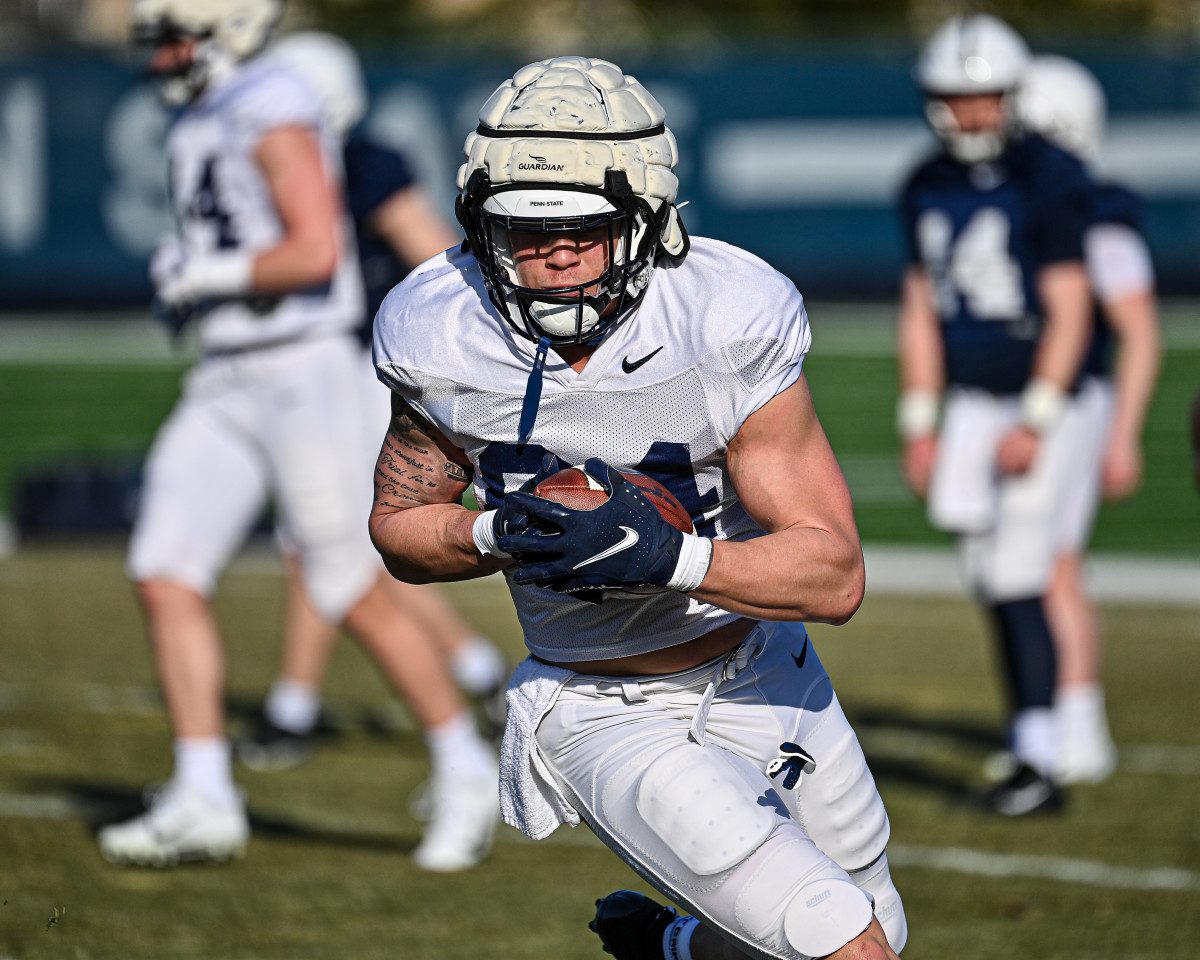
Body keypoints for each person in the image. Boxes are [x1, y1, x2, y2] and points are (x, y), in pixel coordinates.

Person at [368, 56, 906, 960]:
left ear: (648, 220)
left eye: (588, 225)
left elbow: (834, 571)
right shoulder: (440, 327)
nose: (559, 253)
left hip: (761, 664)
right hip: (601, 705)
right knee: (845, 947)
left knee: (879, 927)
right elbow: (397, 526)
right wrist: (496, 529)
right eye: (525, 230)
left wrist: (669, 557)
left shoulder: (726, 318)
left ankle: (674, 950)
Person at [99, 0, 498, 873]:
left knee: (345, 581)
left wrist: (202, 271)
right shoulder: (209, 111)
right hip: (228, 369)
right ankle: (204, 792)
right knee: (164, 568)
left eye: (176, 37)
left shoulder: (272, 98)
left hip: (302, 369)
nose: (163, 57)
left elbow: (315, 250)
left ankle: (465, 766)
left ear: (227, 30)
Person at [235, 30, 510, 772]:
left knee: (325, 540)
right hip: (307, 370)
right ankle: (476, 668)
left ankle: (295, 708)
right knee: (342, 542)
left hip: (351, 369)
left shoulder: (356, 163)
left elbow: (434, 259)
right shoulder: (265, 161)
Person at [896, 15, 1094, 814]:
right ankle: (1040, 739)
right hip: (972, 400)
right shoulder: (924, 181)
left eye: (983, 98)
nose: (970, 114)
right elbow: (919, 305)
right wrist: (920, 419)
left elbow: (1070, 305)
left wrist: (1037, 415)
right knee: (988, 573)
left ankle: (1040, 756)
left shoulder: (1050, 174)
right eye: (956, 98)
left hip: (1039, 395)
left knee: (1018, 571)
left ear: (1011, 97)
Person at [1014, 54, 1162, 785]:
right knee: (1033, 567)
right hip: (1045, 403)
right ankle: (1052, 724)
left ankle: (1078, 724)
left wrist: (1125, 433)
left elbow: (1138, 331)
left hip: (1076, 404)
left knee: (1054, 567)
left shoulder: (1093, 217)